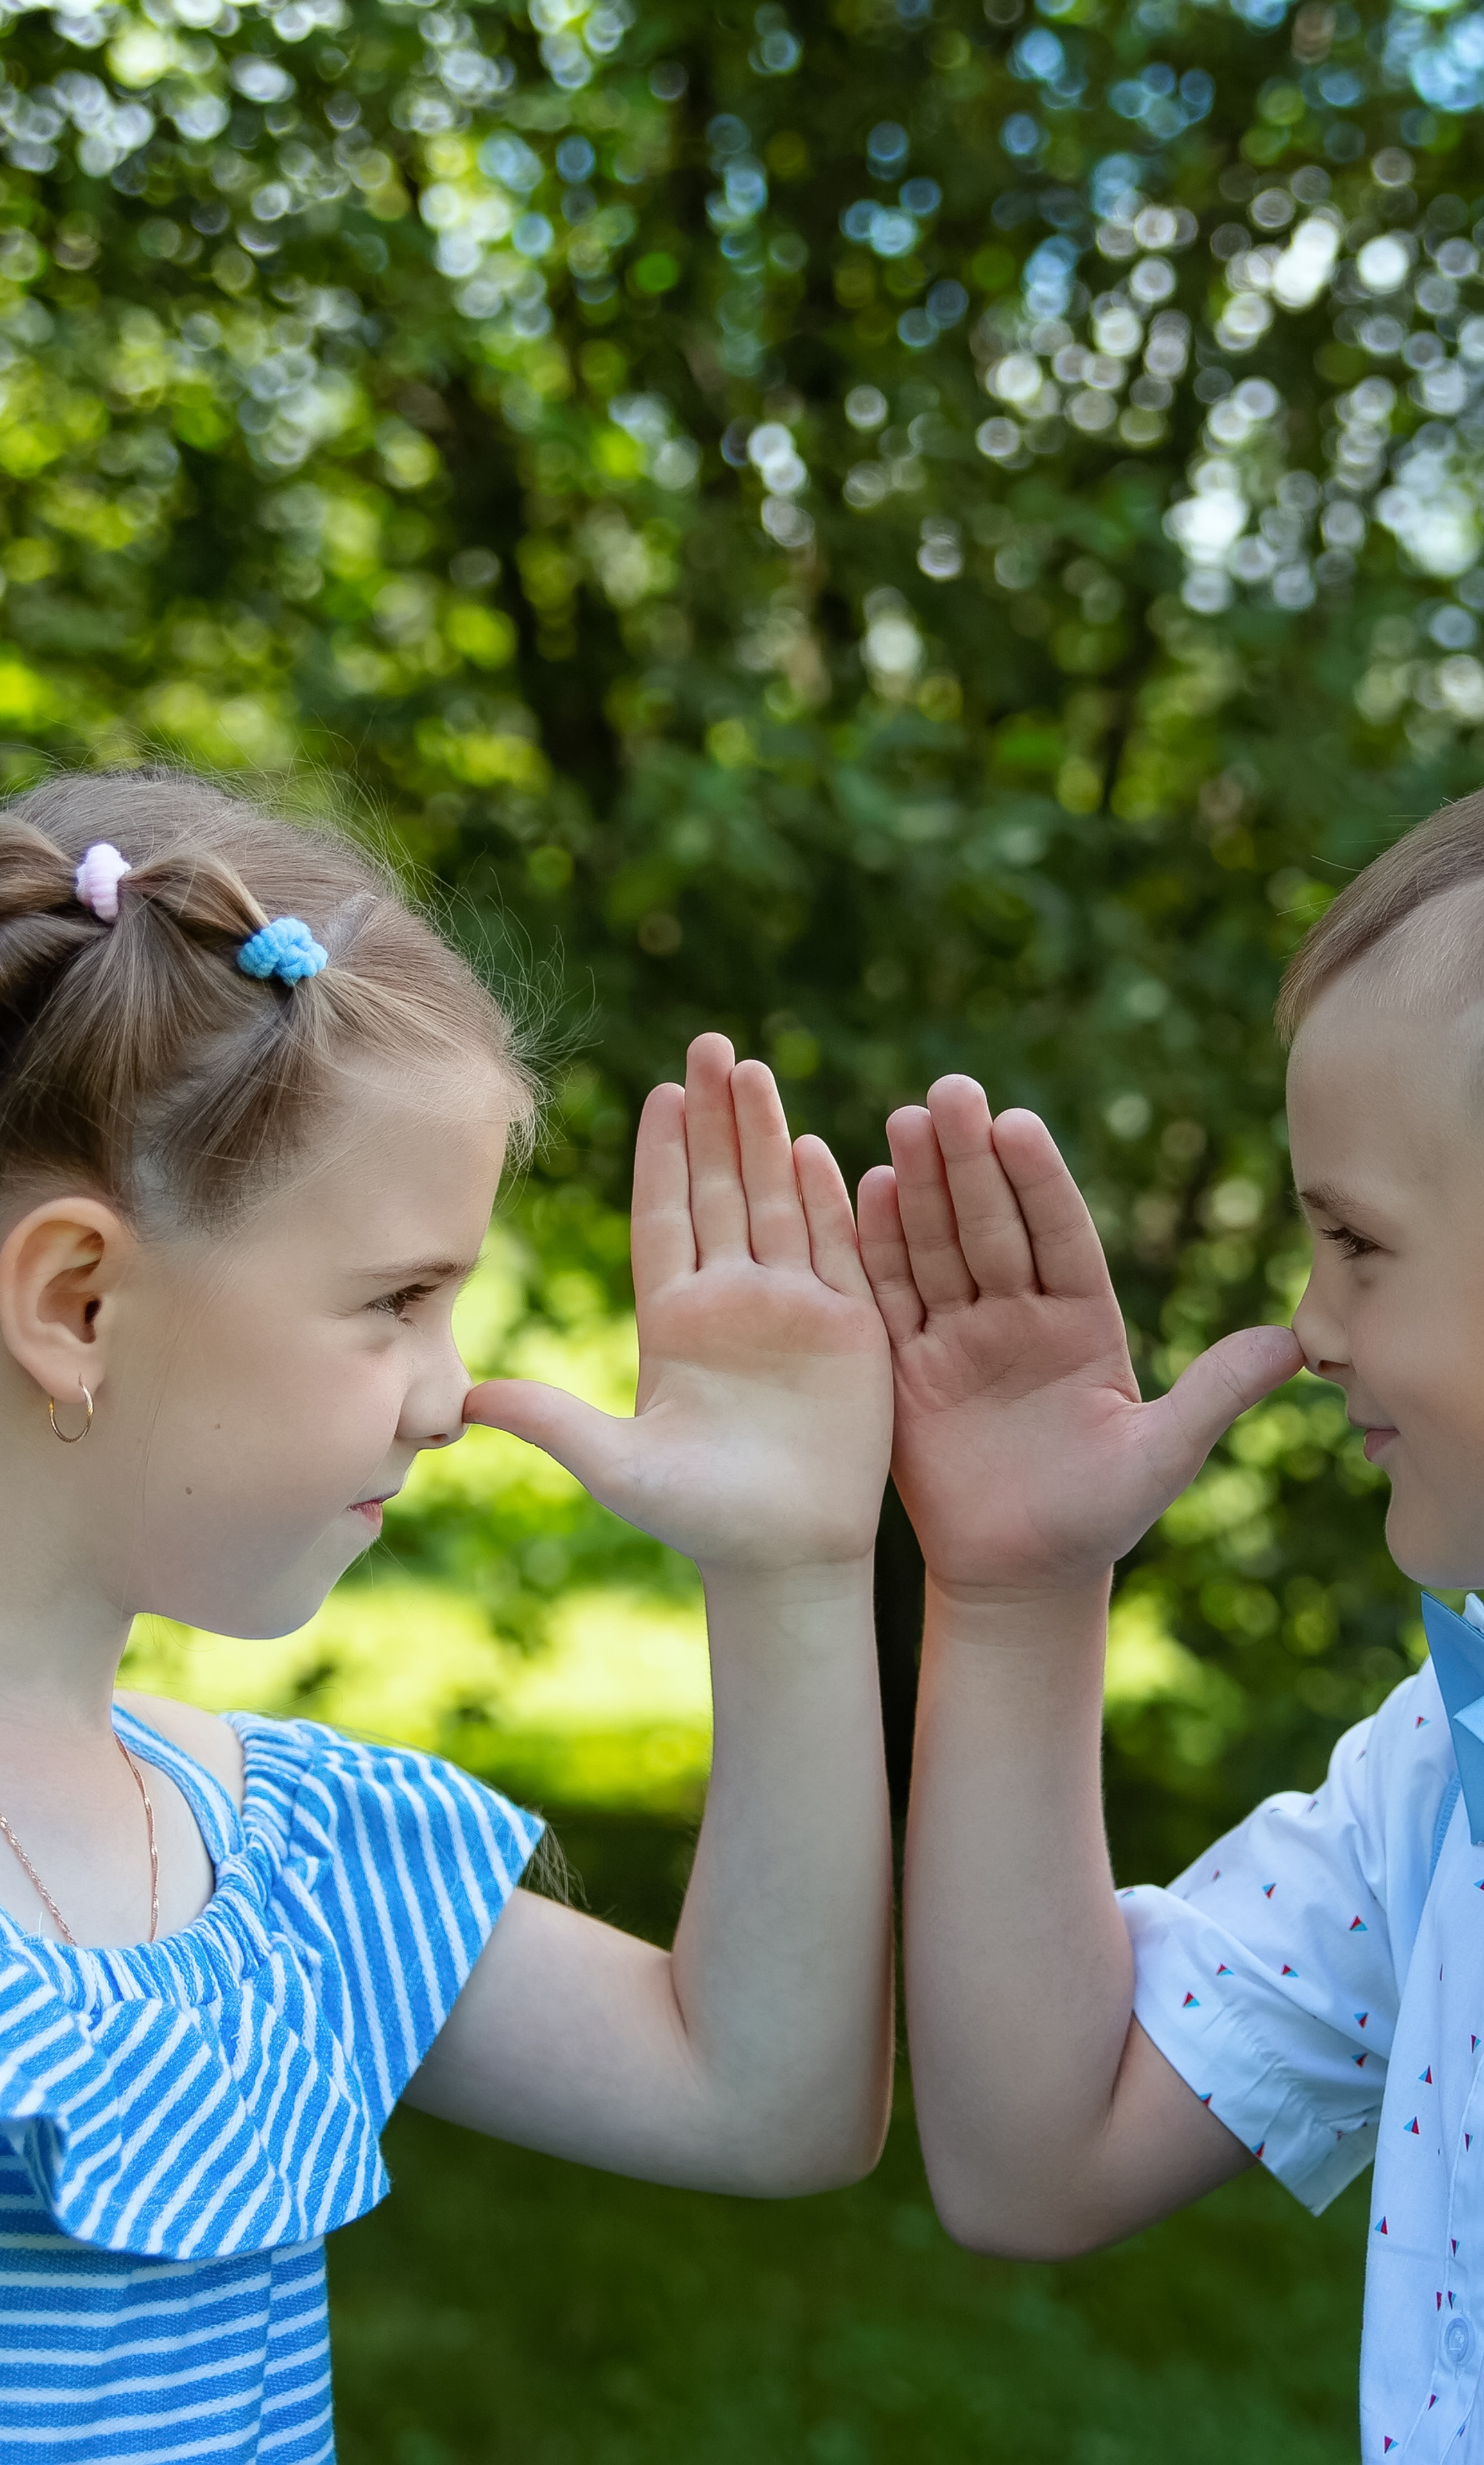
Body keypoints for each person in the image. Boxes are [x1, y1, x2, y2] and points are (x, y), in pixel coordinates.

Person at [0, 769, 895, 2463]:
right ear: (80, 1300)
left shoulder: (285, 1861)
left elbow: (766, 2100)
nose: (447, 1396)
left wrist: (793, 1569)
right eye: (399, 1301)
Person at [861, 718, 1484, 2463]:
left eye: (1358, 1242)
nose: (1310, 1326)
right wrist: (1013, 1592)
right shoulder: (1469, 1773)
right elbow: (1032, 2155)